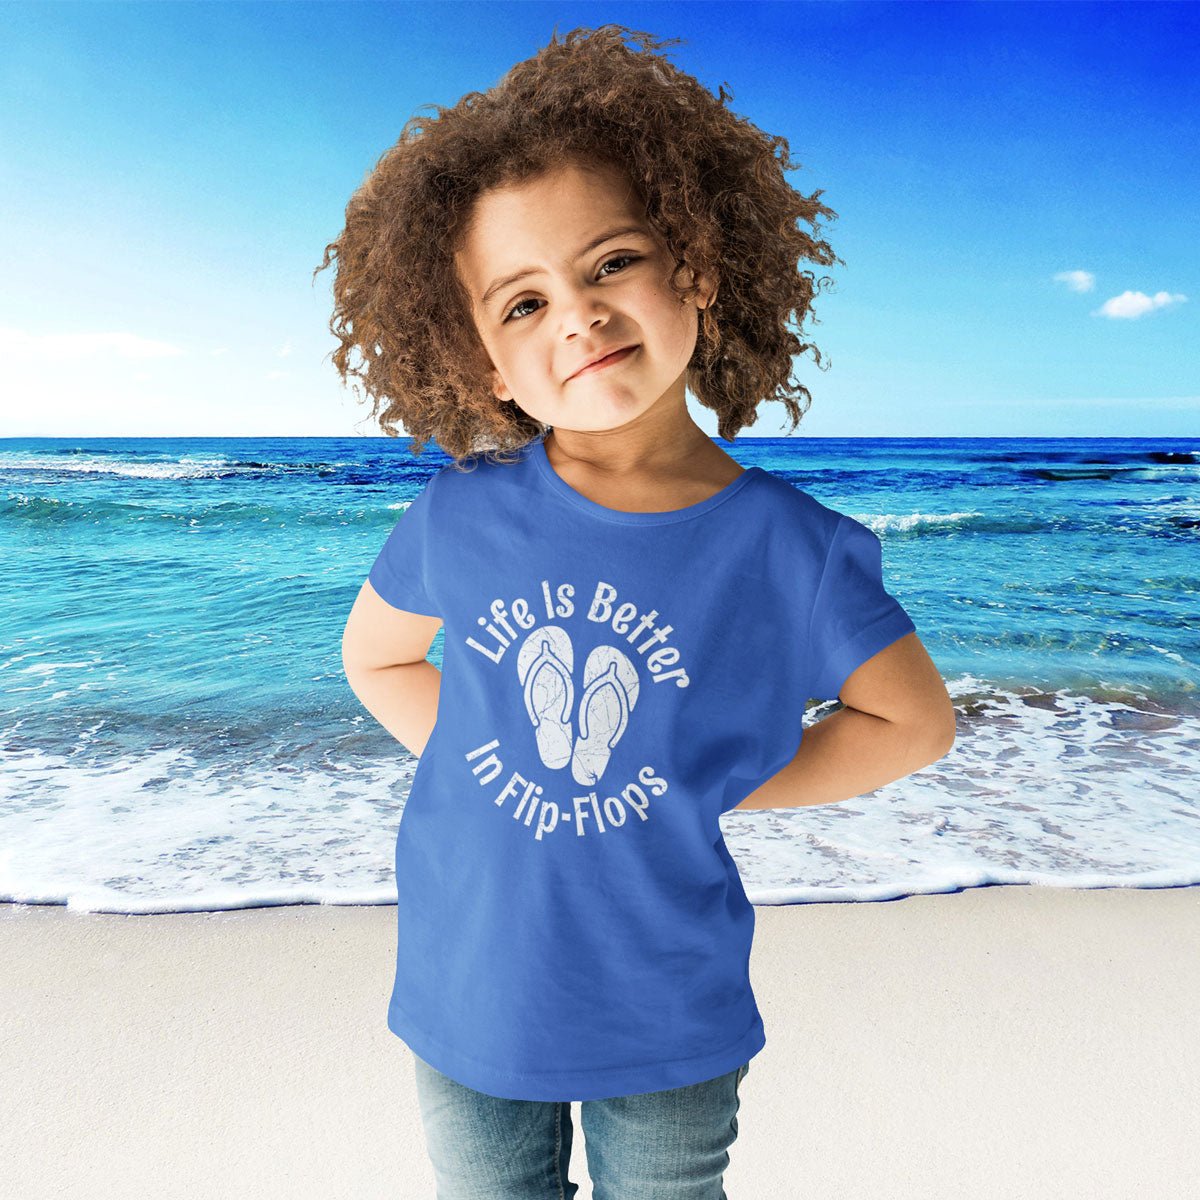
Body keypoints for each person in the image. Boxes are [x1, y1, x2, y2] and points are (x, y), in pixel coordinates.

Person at [326, 23, 956, 1199]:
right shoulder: (459, 518)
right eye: (521, 304)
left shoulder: (792, 547)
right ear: (485, 368)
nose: (577, 314)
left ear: (697, 269)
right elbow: (378, 662)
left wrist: (718, 772)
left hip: (667, 987)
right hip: (472, 970)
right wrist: (484, 750)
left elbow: (914, 724)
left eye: (610, 263)